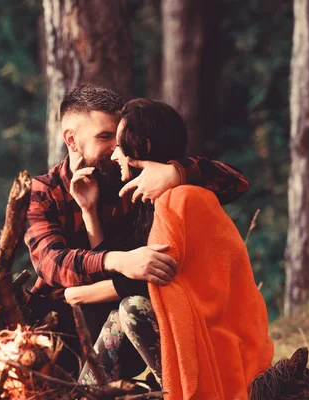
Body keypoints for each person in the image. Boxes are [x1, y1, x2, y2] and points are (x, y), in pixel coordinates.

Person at [24, 84, 251, 378]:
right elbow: (51, 264)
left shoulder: (136, 177)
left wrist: (176, 172)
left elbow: (236, 183)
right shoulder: (45, 190)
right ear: (72, 140)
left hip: (125, 318)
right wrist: (118, 259)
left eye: (118, 137)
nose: (115, 148)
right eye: (104, 137)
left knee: (132, 310)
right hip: (57, 335)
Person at [65, 98, 273, 399]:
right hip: (187, 334)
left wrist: (78, 294)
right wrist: (89, 211)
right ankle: (81, 396)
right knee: (119, 316)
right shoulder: (140, 200)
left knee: (131, 309)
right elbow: (122, 265)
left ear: (145, 145)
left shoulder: (182, 198)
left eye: (120, 144)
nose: (114, 155)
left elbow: (153, 278)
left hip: (219, 343)